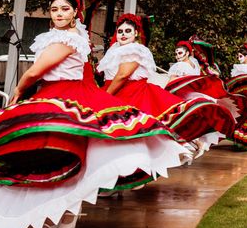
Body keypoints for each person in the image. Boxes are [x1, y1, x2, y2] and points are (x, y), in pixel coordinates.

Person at [0, 0, 189, 228]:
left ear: (76, 12)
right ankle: (55, 216)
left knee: (59, 157)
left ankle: (61, 214)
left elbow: (36, 71)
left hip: (63, 99)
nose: (59, 14)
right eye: (54, 10)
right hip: (53, 96)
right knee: (48, 158)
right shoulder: (61, 36)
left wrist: (19, 89)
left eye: (65, 9)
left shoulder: (70, 39)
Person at [98, 14, 236, 158]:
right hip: (119, 93)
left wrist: (105, 95)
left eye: (127, 31)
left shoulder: (134, 49)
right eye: (120, 31)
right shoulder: (116, 49)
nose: (123, 34)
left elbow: (122, 75)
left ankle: (185, 147)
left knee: (145, 133)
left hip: (131, 94)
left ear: (136, 33)